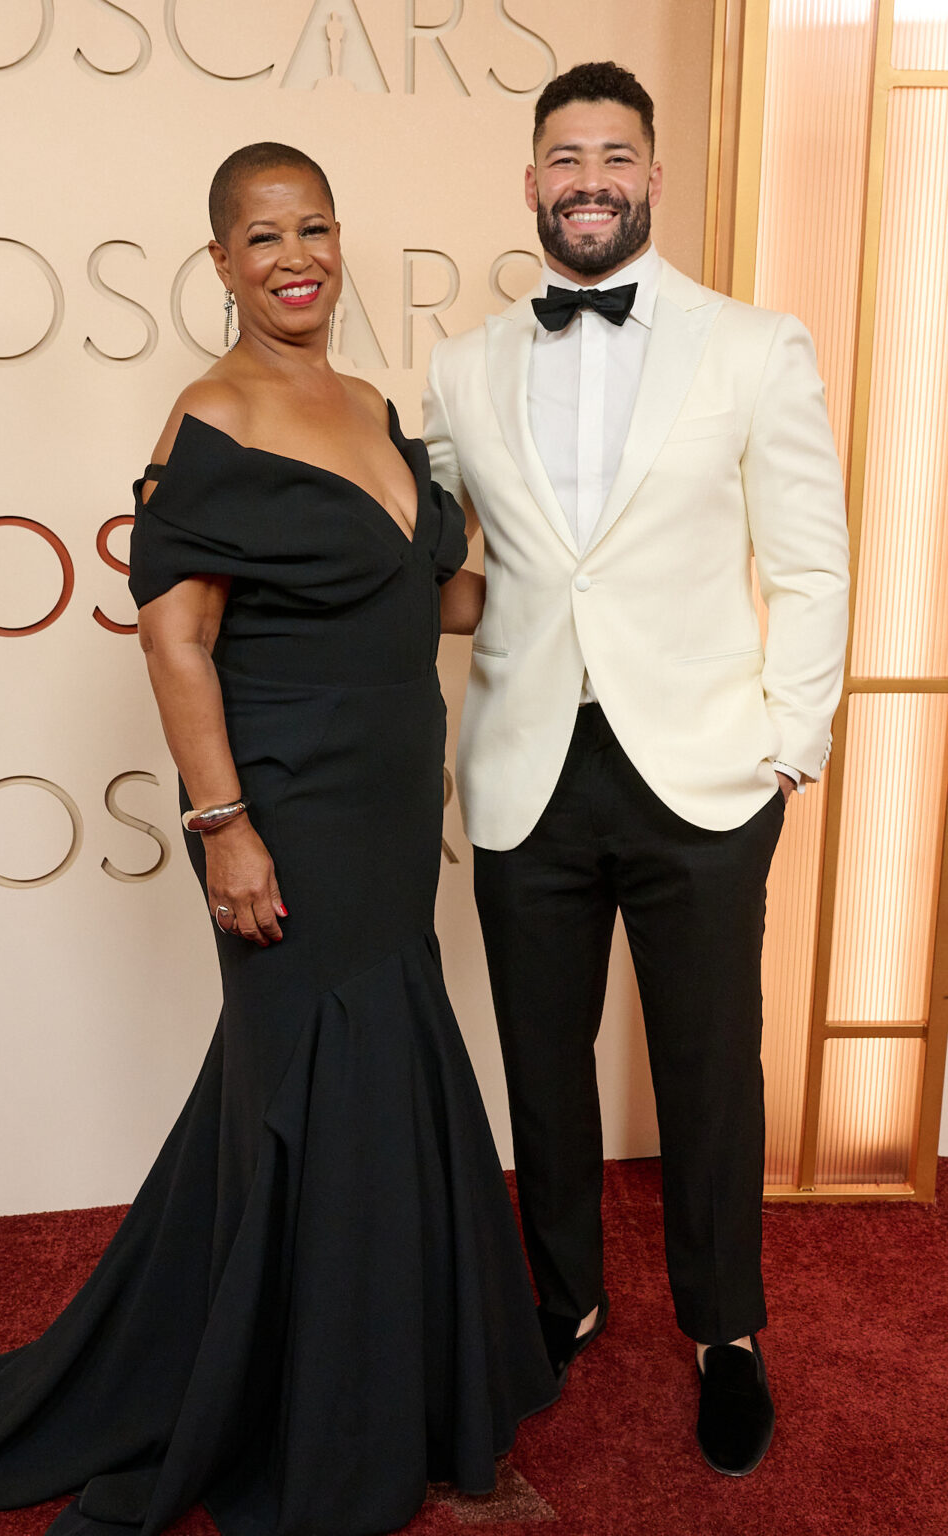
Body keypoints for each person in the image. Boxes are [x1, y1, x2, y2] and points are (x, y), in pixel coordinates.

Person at [0, 143, 558, 1536]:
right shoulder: (209, 415)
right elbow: (179, 638)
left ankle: (397, 1405)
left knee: (367, 1096)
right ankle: (342, 1445)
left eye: (315, 228)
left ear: (342, 240)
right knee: (324, 1107)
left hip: (389, 815)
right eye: (263, 237)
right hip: (286, 809)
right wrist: (224, 827)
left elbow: (434, 603)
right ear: (219, 263)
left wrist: (581, 571)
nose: (295, 258)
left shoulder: (373, 405)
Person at [423, 61, 850, 1477]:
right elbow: (440, 563)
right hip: (526, 766)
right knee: (541, 1069)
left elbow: (809, 558)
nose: (588, 176)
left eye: (614, 153)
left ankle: (727, 1334)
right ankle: (568, 1296)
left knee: (709, 1070)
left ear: (653, 178)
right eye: (563, 155)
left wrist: (792, 741)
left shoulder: (754, 344)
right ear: (531, 181)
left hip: (707, 776)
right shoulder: (464, 365)